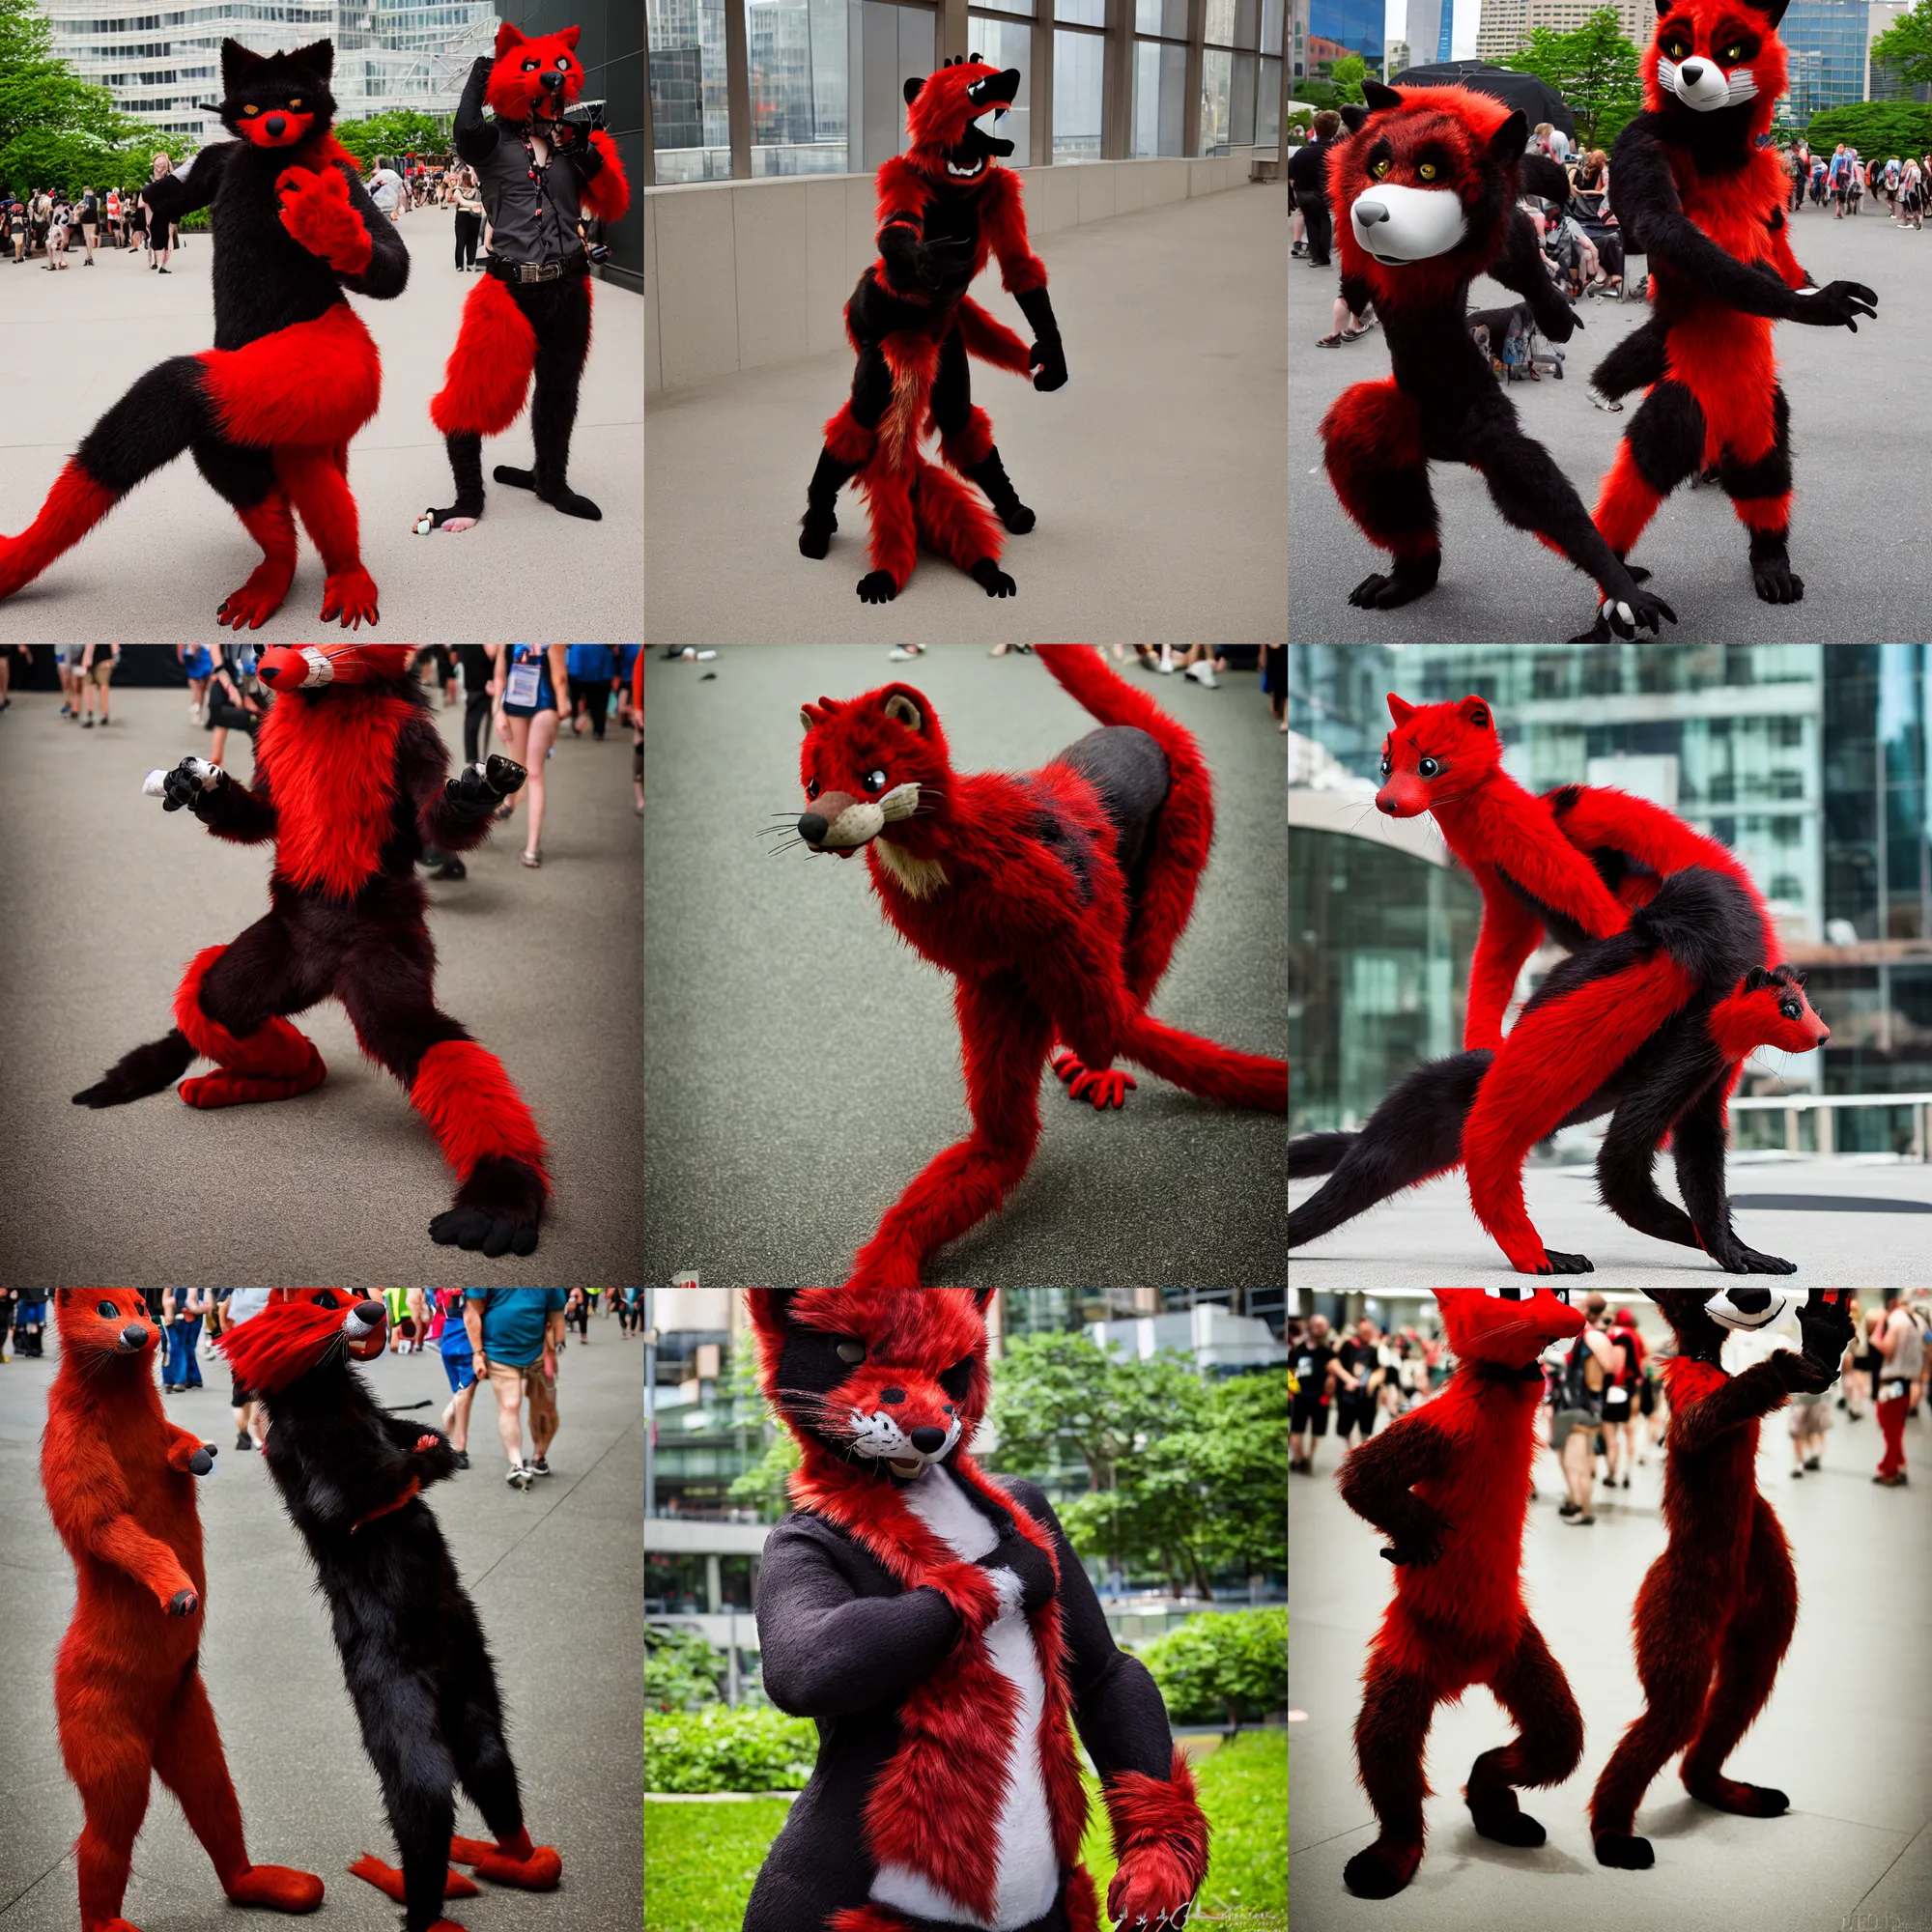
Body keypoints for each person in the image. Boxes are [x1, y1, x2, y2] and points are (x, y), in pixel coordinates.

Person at [464, 1288, 567, 1490]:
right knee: (510, 1405)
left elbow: (557, 1316)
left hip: (539, 1353)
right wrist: (478, 1353)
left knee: (546, 1409)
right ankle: (517, 1464)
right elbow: (472, 1313)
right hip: (499, 1352)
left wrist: (554, 1351)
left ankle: (539, 1456)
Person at [492, 643, 569, 867]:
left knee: (524, 770)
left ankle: (512, 807)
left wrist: (498, 710)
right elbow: (560, 677)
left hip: (519, 705)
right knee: (532, 773)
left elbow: (499, 676)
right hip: (542, 705)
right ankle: (531, 849)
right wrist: (563, 704)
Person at [1552, 1294, 1620, 1524]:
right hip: (1591, 1405)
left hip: (1574, 1406)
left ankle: (1583, 1509)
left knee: (1574, 1464)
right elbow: (1612, 1368)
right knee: (1580, 1460)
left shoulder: (1584, 1337)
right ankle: (1579, 1504)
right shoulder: (1599, 1339)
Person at [1874, 1288, 1924, 1486]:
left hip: (1892, 1380)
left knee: (1890, 1427)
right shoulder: (1917, 1321)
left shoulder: (1896, 1320)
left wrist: (1876, 1336)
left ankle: (1890, 1471)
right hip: (1906, 1380)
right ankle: (1900, 1464)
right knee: (1895, 1426)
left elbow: (1888, 1349)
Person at [1289, 109, 1341, 272]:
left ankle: (1315, 256)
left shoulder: (1302, 153)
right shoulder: (1335, 153)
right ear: (1335, 130)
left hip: (1302, 194)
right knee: (1324, 221)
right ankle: (1322, 256)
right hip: (1322, 194)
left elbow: (1291, 176)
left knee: (1311, 222)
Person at [1291, 1313, 1342, 1475]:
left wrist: (1331, 1384)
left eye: (1322, 1326)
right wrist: (1292, 1390)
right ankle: (1299, 1459)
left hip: (1320, 1398)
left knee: (1316, 1431)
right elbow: (1289, 1371)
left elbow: (1334, 1372)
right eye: (1317, 1325)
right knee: (1297, 1430)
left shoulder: (1327, 1352)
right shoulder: (1298, 1349)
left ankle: (1308, 1458)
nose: (1319, 1329)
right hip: (1300, 1397)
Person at [225, 1287, 273, 1448]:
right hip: (259, 1345)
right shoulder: (266, 1291)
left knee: (239, 1397)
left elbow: (226, 1314)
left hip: (239, 1346)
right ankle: (255, 1434)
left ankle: (244, 1434)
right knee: (256, 1393)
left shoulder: (238, 1292)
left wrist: (228, 1336)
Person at [434, 1289, 476, 1469]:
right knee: (464, 1393)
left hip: (450, 1335)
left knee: (462, 1391)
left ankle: (451, 1413)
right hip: (466, 1337)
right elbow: (473, 1313)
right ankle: (459, 1448)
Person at [565, 644, 615, 739]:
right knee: (600, 702)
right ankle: (598, 730)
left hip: (579, 662)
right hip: (600, 666)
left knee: (576, 699)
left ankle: (576, 727)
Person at [161, 1287, 207, 1392]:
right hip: (179, 1314)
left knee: (179, 1347)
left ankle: (178, 1379)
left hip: (181, 1314)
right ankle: (187, 1378)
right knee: (180, 1347)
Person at [78, 641, 118, 726]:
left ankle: (102, 714)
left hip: (102, 660)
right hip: (91, 660)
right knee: (90, 687)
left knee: (101, 686)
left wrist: (115, 656)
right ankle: (95, 715)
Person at [147, 153, 176, 270]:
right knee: (154, 237)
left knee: (165, 238)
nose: (159, 167)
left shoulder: (169, 179)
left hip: (166, 212)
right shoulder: (151, 178)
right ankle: (157, 262)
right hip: (153, 212)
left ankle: (160, 263)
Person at [452, 165, 484, 270]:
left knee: (472, 240)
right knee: (462, 241)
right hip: (465, 217)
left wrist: (474, 204)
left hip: (473, 216)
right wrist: (476, 204)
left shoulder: (478, 189)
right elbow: (461, 201)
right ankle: (461, 264)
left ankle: (469, 263)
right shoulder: (458, 190)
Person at [179, 643, 213, 724]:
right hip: (197, 658)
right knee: (197, 687)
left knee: (203, 687)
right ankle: (196, 709)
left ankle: (198, 711)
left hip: (206, 655)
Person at [367, 155, 404, 220]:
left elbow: (370, 188)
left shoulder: (379, 175)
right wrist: (398, 208)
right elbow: (399, 194)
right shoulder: (397, 177)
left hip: (379, 204)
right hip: (392, 205)